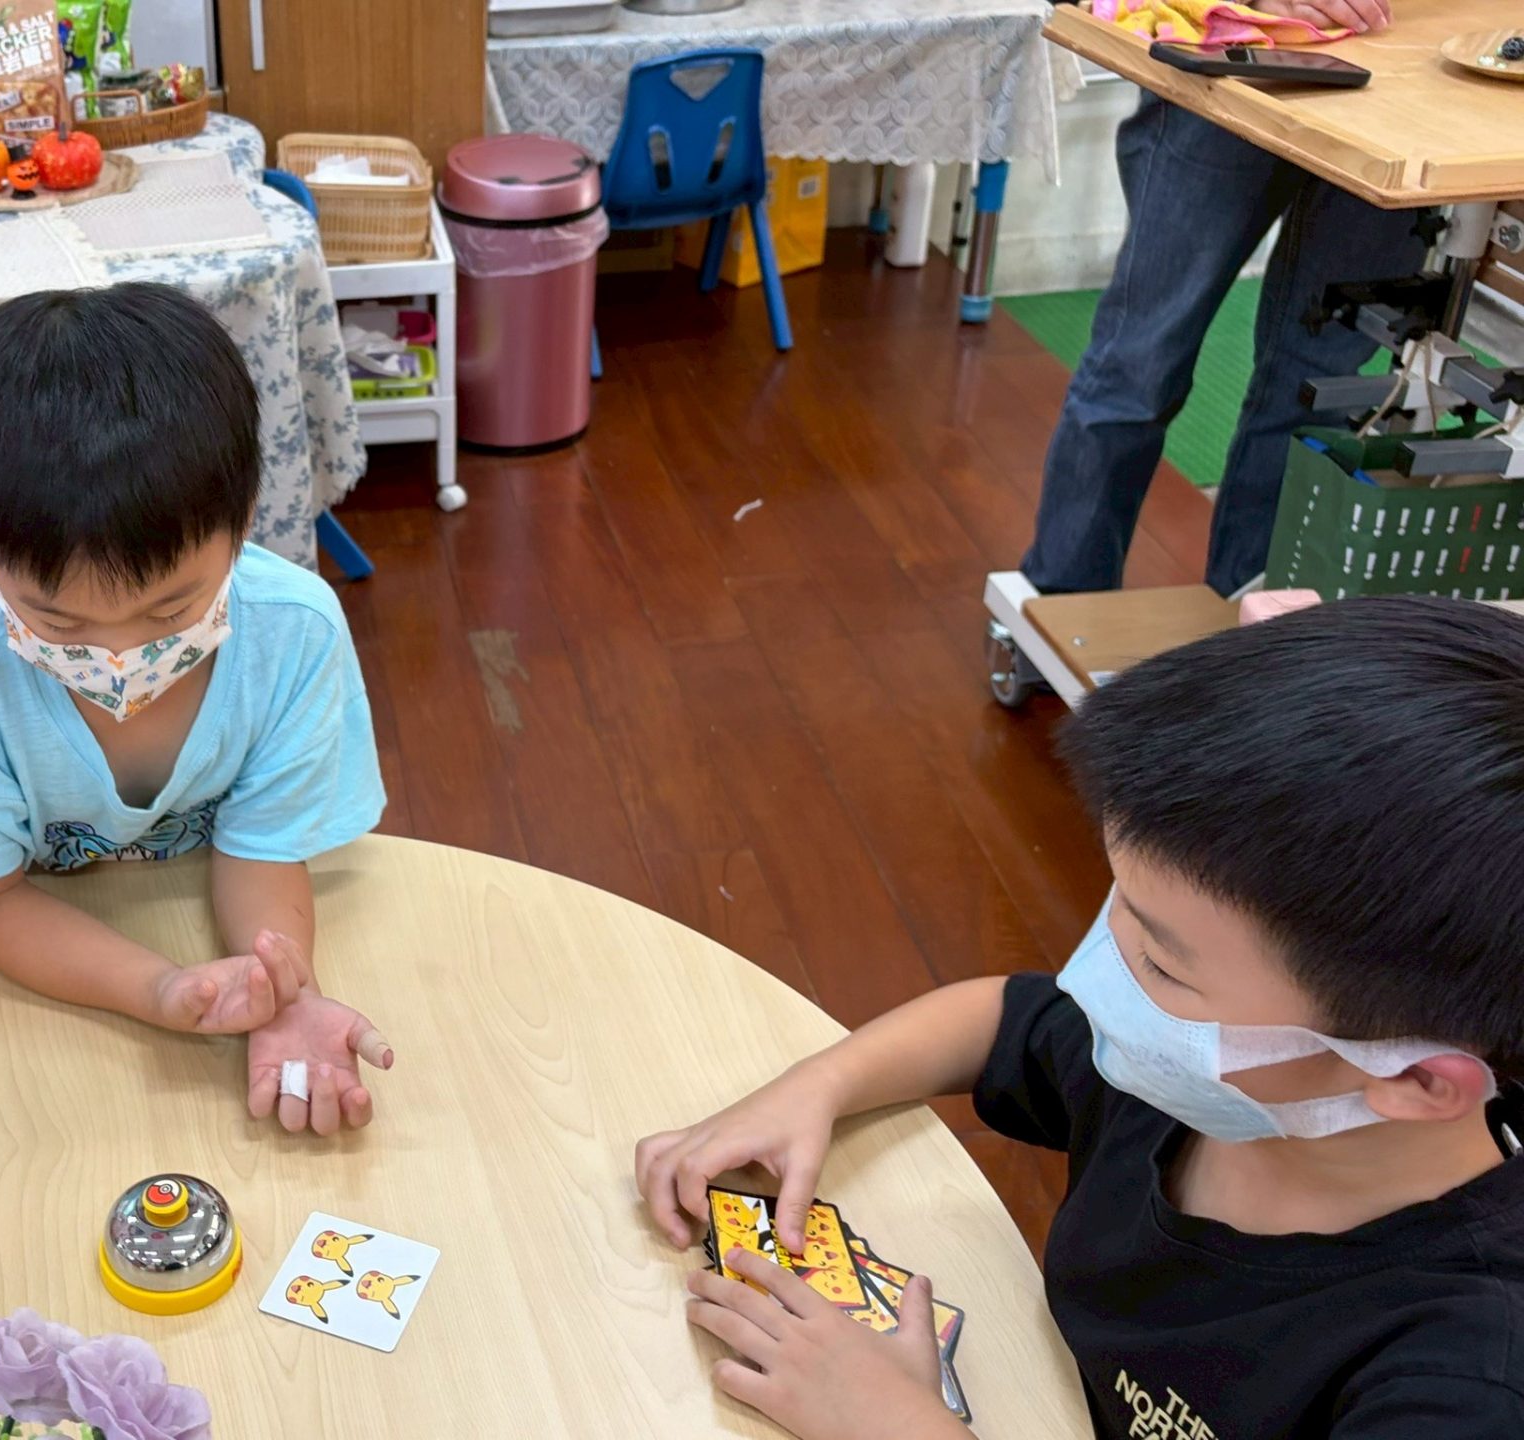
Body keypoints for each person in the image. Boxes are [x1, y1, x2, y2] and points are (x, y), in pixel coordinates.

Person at [636, 596, 1524, 1439]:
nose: (1099, 973)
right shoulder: (1185, 1080)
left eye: (1163, 963)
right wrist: (817, 1085)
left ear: (1414, 1079)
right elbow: (996, 1018)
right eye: (1116, 906)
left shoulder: (1469, 1377)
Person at [0, 283, 391, 1137]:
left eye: (171, 609)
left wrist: (283, 995)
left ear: (244, 518)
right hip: (32, 1003)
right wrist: (159, 989)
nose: (117, 654)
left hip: (183, 921)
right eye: (59, 621)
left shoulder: (293, 634)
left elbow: (262, 848)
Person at [1022, 0, 1429, 598]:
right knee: (1139, 364)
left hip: (1410, 86)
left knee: (1317, 387)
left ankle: (1250, 613)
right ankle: (1062, 601)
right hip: (1232, 56)